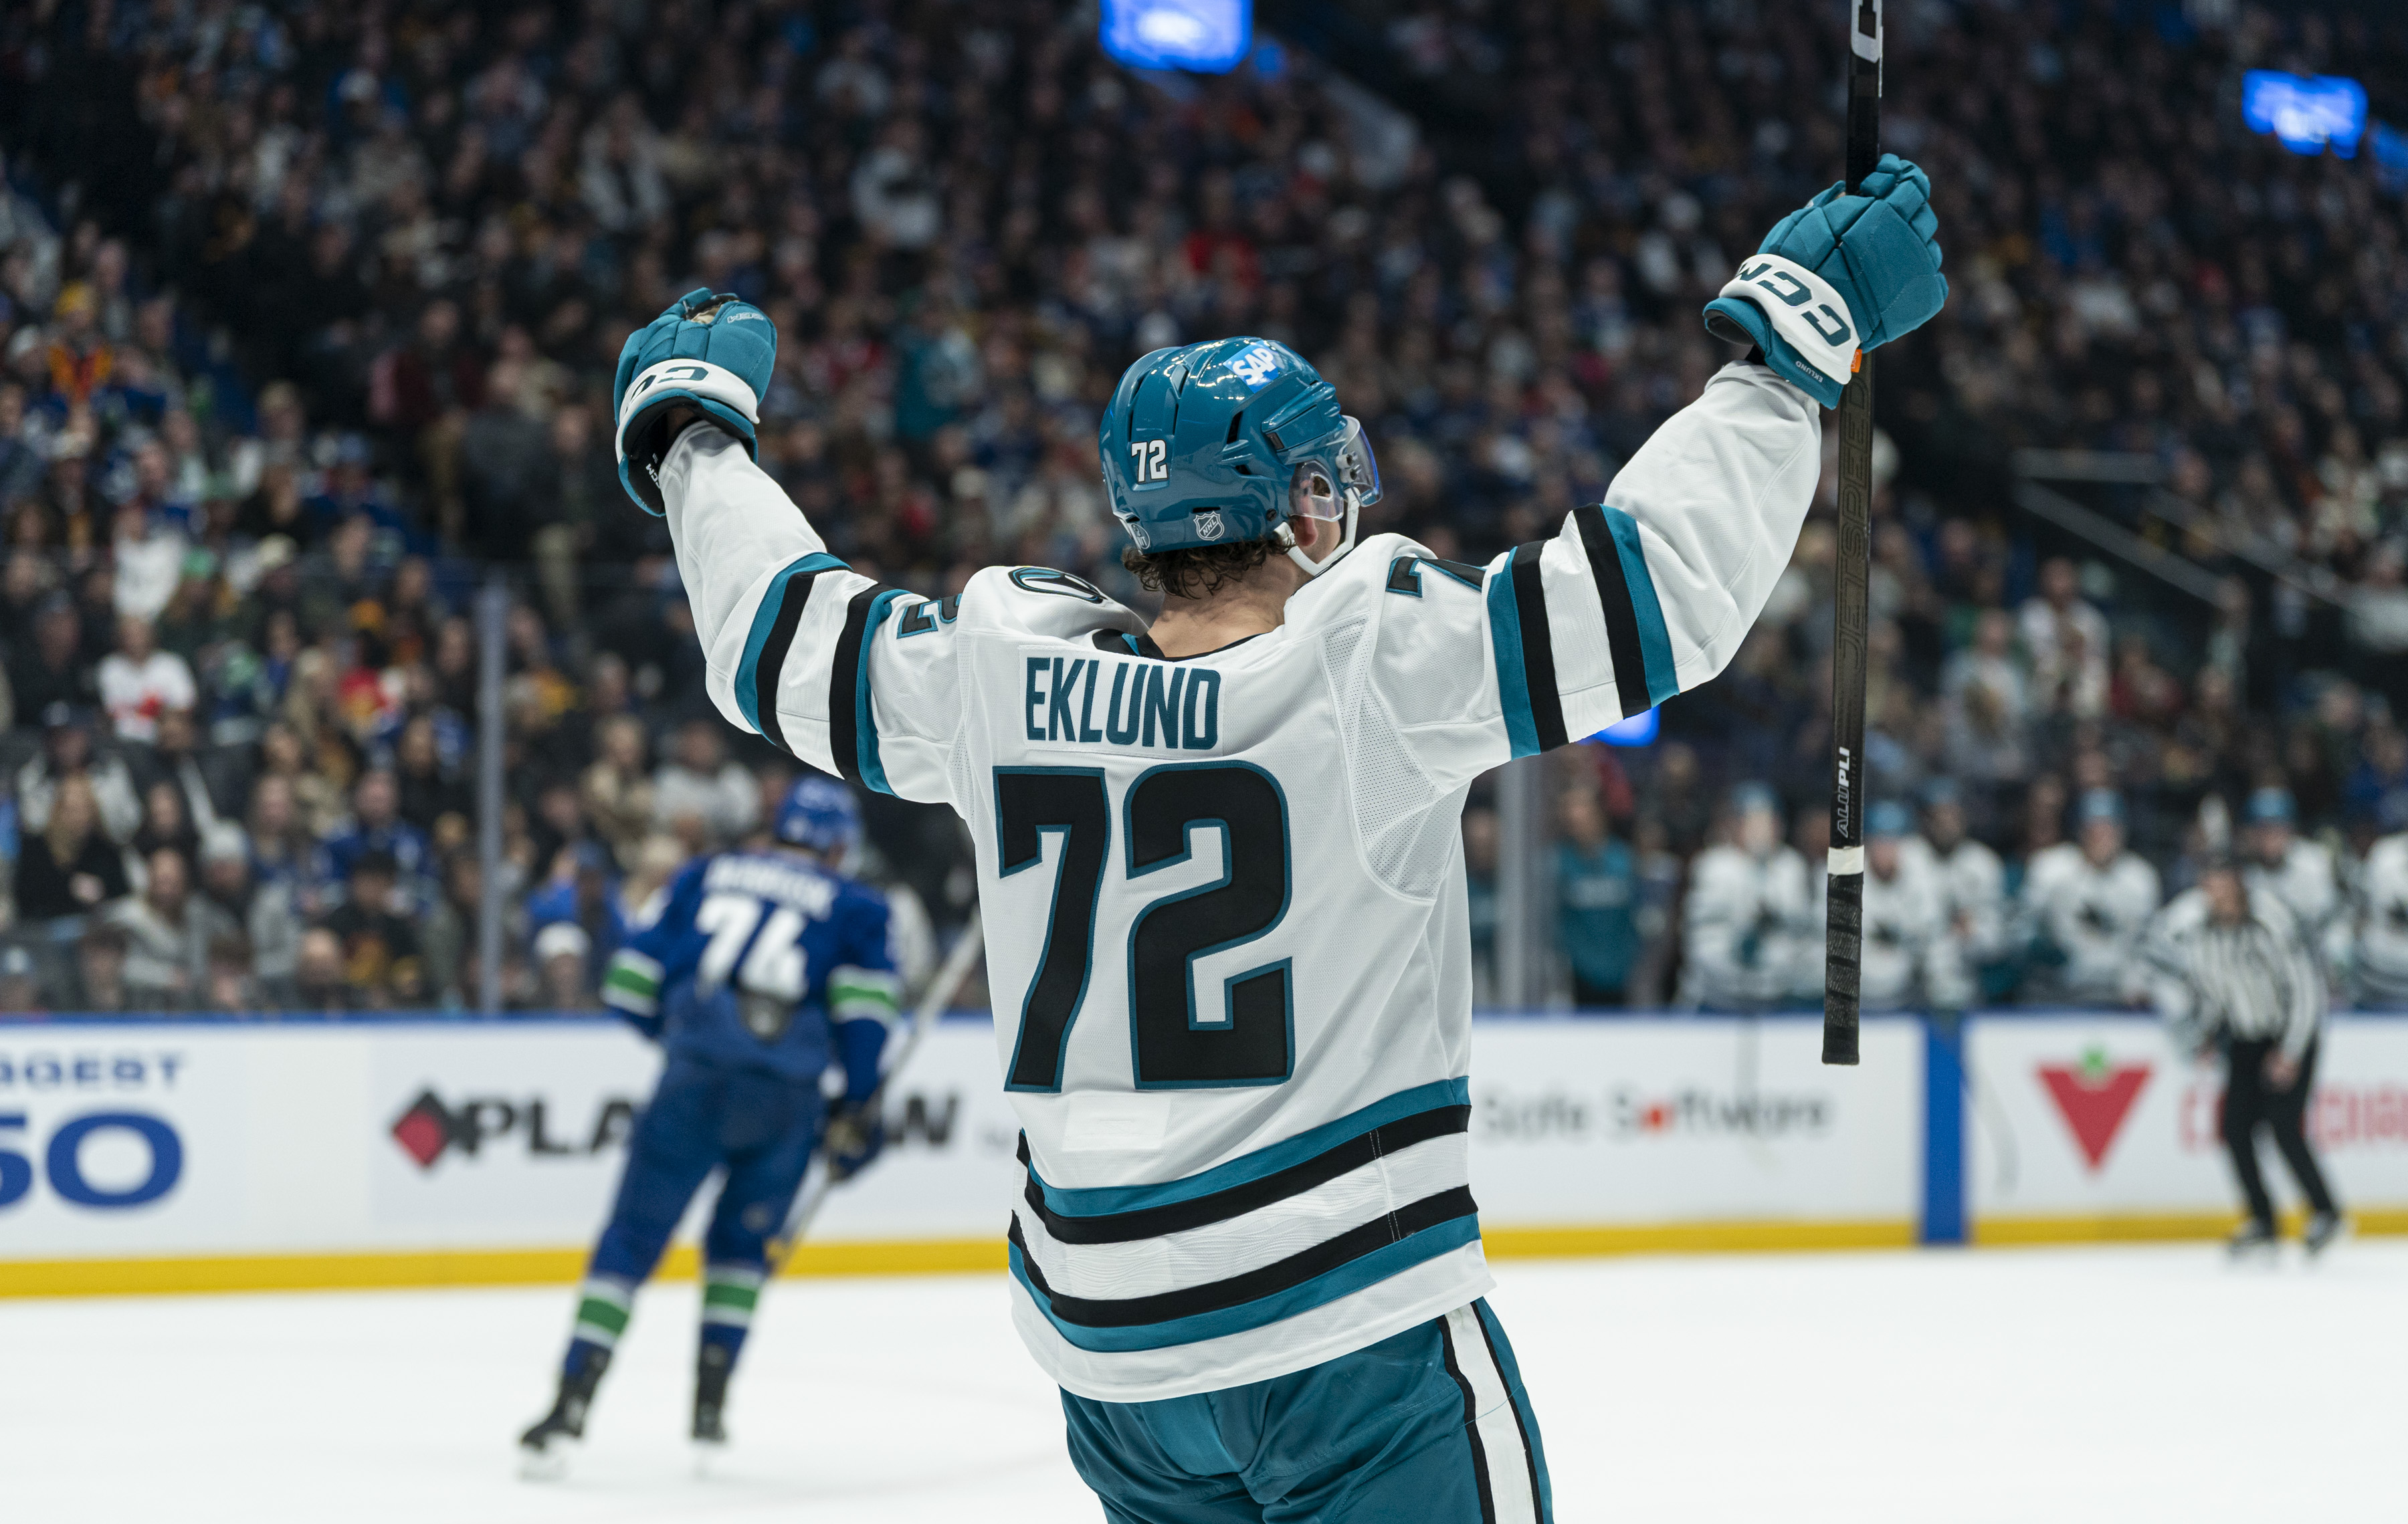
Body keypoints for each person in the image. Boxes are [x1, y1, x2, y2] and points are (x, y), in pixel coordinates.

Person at [601, 145, 1942, 1520]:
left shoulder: (998, 673)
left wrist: (693, 438)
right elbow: (1657, 591)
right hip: (1340, 1323)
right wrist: (1788, 351)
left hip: (1113, 1363)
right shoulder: (1372, 662)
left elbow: (780, 635)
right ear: (1304, 501)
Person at [518, 776, 903, 1471]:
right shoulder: (858, 906)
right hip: (785, 1101)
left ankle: (570, 1401)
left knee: (631, 1238)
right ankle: (709, 1408)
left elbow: (629, 985)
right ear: (839, 845)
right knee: (741, 1251)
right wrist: (858, 1102)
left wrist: (685, 1041)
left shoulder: (707, 872)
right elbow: (865, 1017)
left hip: (692, 1083)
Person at [2144, 859, 2344, 1256]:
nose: (2213, 889)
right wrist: (2205, 1034)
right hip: (2244, 1037)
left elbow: (2306, 987)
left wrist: (2290, 1051)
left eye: (2221, 879)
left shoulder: (2271, 921)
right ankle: (2263, 1220)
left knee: (2284, 1125)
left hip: (2289, 1030)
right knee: (2234, 1130)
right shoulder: (2201, 931)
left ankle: (2325, 1211)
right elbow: (2214, 990)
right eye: (2208, 880)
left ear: (2237, 882)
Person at [2017, 790, 2161, 1005]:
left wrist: (2138, 980)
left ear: (2122, 832)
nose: (2101, 838)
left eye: (2109, 830)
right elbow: (2024, 931)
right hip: (2057, 990)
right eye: (2094, 829)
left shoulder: (2141, 878)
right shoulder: (2051, 868)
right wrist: (2044, 949)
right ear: (2080, 831)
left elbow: (2148, 943)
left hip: (2118, 994)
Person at [1680, 784, 1813, 1010]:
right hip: (1717, 1000)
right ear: (1735, 824)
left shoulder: (1792, 866)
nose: (1760, 830)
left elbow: (1802, 936)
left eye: (1767, 821)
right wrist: (1740, 948)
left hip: (1778, 997)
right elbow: (1700, 941)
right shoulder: (1713, 865)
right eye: (1752, 821)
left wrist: (1775, 922)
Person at [2237, 788, 2347, 984]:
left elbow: (2328, 919)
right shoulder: (2243, 874)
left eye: (2277, 829)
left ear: (2291, 830)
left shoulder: (2314, 862)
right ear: (2250, 834)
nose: (2271, 837)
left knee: (2338, 944)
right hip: (2267, 959)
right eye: (2263, 830)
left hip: (2314, 949)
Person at [1857, 802, 1952, 1012]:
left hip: (1910, 990)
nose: (1886, 849)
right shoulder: (1850, 877)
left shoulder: (1922, 875)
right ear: (1867, 843)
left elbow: (1932, 934)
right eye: (1879, 841)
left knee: (1943, 962)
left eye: (1893, 840)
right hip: (1861, 990)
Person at [1555, 786, 1637, 1006]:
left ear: (1599, 815)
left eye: (1583, 811)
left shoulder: (1623, 859)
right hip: (1577, 973)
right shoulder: (1559, 862)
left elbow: (1636, 916)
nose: (1576, 819)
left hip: (1621, 972)